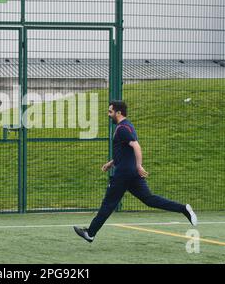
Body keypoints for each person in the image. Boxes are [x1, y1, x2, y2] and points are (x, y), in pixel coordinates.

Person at [74, 100, 197, 243]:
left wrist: (139, 165)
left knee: (108, 204)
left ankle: (90, 233)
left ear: (118, 113)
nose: (108, 114)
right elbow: (125, 151)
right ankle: (183, 209)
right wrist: (112, 163)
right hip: (130, 173)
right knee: (149, 199)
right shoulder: (127, 126)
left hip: (124, 174)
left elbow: (136, 146)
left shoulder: (122, 129)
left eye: (110, 112)